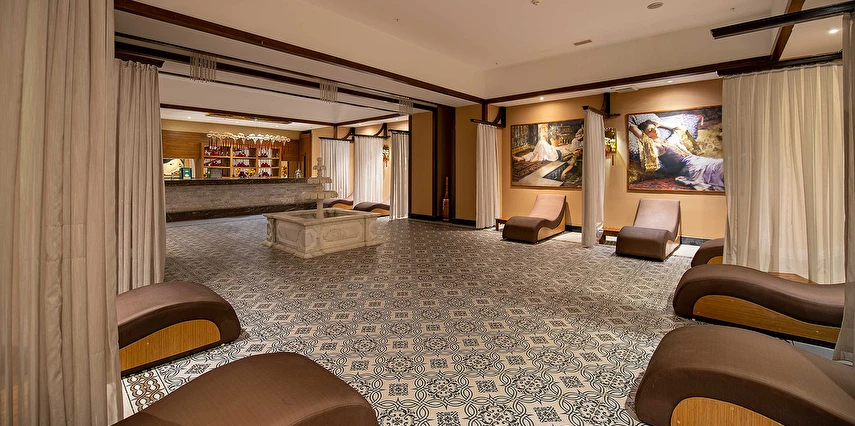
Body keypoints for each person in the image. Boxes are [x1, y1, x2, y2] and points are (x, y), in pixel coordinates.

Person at [629, 119, 724, 191]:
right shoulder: (656, 146)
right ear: (646, 135)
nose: (655, 131)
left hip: (699, 160)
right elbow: (633, 128)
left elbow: (679, 127)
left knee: (724, 164)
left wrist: (660, 123)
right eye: (650, 130)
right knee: (720, 170)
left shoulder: (670, 141)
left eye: (655, 128)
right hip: (692, 167)